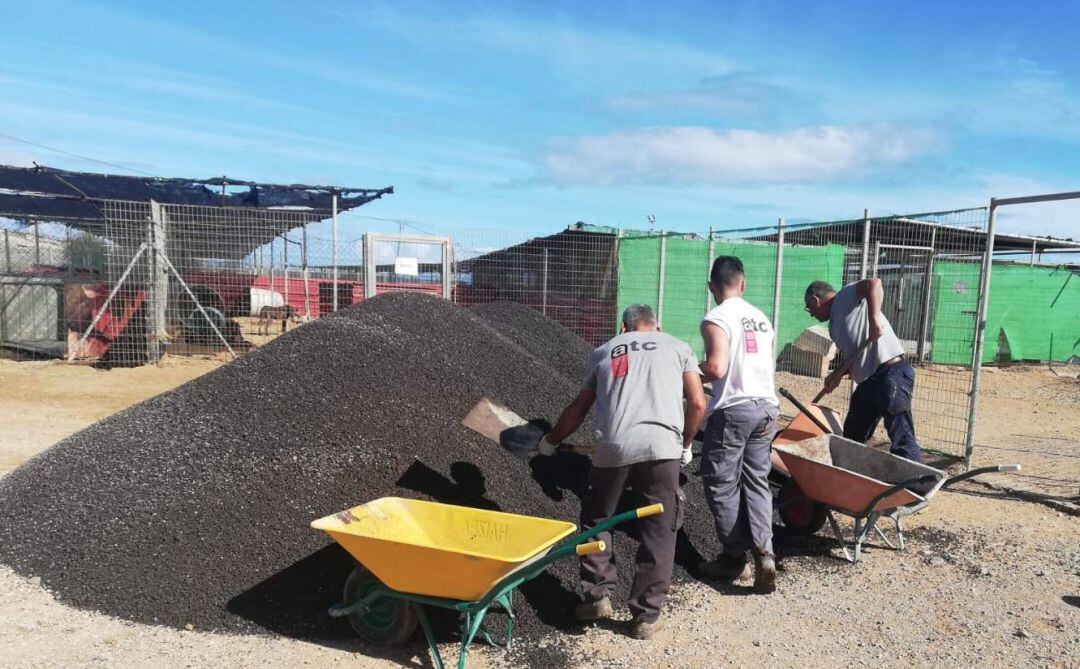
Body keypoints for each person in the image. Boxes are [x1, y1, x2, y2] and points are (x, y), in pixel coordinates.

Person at [540, 304, 706, 640]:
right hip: (663, 448)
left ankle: (597, 596)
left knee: (597, 518)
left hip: (612, 447)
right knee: (660, 529)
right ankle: (645, 616)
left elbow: (579, 408)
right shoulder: (677, 347)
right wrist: (686, 445)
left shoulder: (604, 351)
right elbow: (698, 403)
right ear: (656, 327)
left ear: (623, 327)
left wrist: (549, 441)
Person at [697, 256, 780, 593]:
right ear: (743, 284)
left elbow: (716, 368)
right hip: (766, 409)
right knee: (757, 481)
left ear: (712, 287)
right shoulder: (762, 319)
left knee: (721, 482)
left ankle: (734, 557)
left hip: (734, 410)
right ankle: (765, 554)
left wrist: (688, 372)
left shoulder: (717, 317)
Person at [803, 278, 922, 463]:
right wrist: (838, 373)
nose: (811, 315)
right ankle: (850, 474)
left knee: (901, 435)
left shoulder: (845, 296)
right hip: (869, 382)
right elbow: (855, 354)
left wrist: (874, 320)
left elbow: (874, 284)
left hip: (891, 373)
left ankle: (916, 485)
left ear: (814, 301)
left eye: (810, 309)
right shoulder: (834, 325)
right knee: (852, 435)